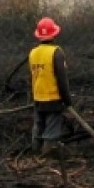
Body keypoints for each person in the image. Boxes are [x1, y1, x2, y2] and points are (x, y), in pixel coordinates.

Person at [28, 17, 73, 156]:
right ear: (54, 34)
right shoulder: (57, 52)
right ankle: (46, 155)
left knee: (39, 125)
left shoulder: (33, 53)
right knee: (52, 129)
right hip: (53, 97)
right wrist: (67, 100)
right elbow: (62, 79)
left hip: (38, 97)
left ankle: (35, 151)